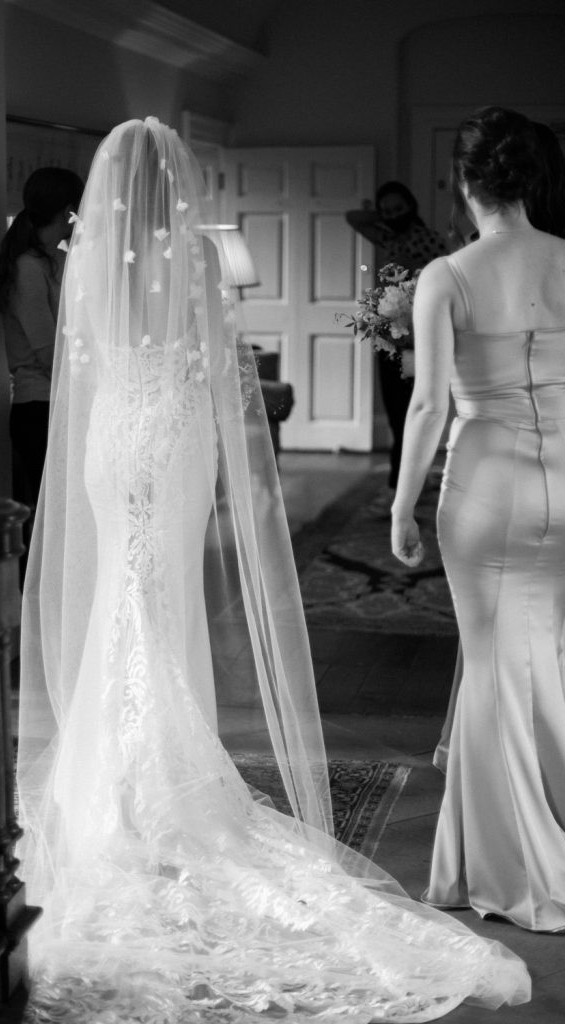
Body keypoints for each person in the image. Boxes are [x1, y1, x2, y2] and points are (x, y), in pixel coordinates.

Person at [16, 116, 529, 1020]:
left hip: (110, 440)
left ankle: (113, 779)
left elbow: (85, 368)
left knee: (116, 603)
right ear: (173, 185)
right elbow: (219, 368)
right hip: (170, 435)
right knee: (156, 600)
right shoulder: (200, 261)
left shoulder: (87, 253)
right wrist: (222, 458)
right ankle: (154, 775)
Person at [391, 106, 565, 932]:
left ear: (465, 185)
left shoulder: (447, 275)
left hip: (489, 489)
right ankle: (508, 842)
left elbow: (427, 405)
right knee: (541, 655)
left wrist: (400, 504)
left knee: (498, 661)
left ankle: (520, 866)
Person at [0, 167, 84, 580]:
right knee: (48, 513)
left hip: (60, 402)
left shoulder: (57, 260)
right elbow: (47, 350)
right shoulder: (27, 267)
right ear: (67, 210)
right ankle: (37, 606)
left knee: (68, 509)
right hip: (39, 406)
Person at [347, 183, 447, 488]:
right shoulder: (387, 235)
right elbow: (353, 217)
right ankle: (401, 481)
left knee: (414, 408)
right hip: (388, 337)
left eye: (397, 209)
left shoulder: (431, 240)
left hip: (419, 338)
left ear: (411, 206)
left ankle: (406, 480)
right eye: (386, 211)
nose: (392, 216)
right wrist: (382, 214)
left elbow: (442, 278)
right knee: (395, 410)